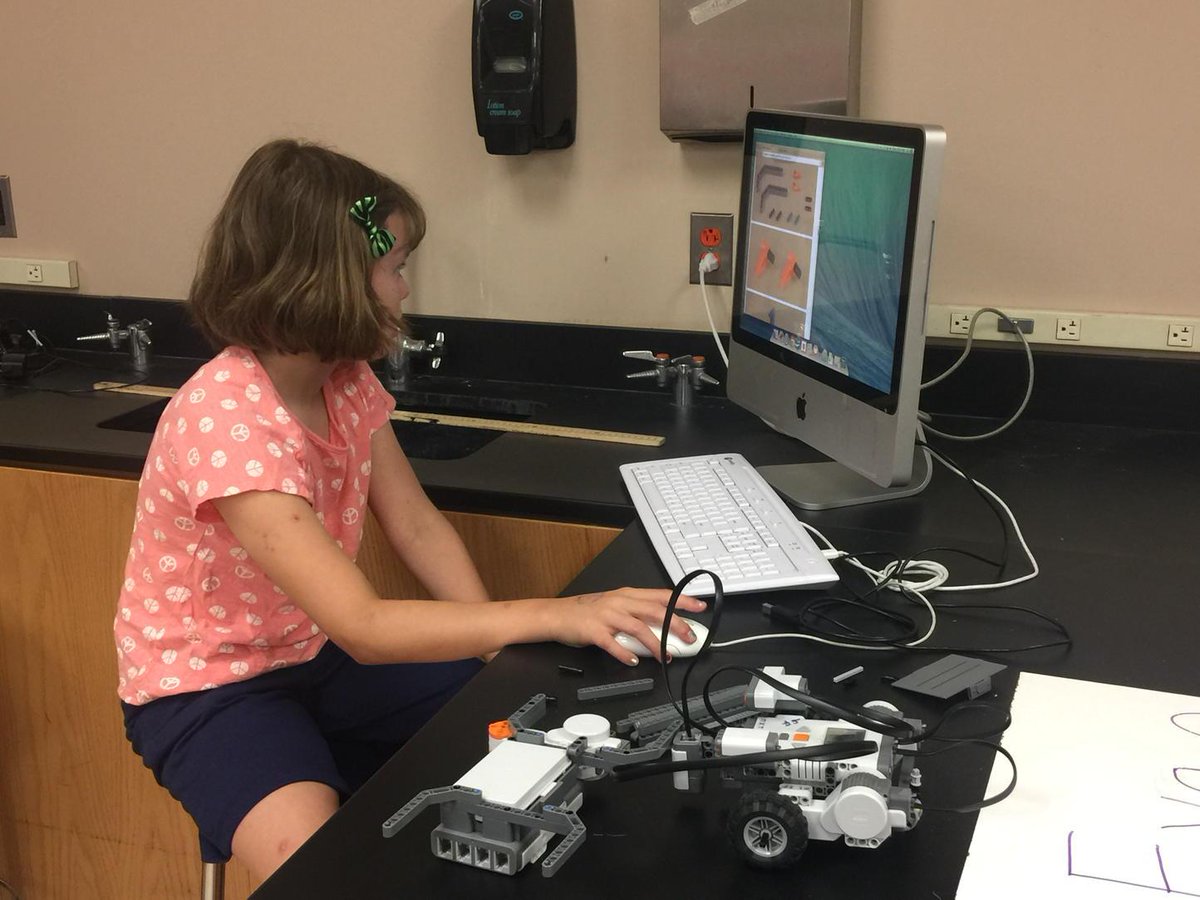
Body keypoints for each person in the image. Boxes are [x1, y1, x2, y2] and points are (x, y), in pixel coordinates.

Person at [115, 138, 704, 884]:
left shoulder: (345, 380)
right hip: (212, 687)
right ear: (326, 281)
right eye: (393, 268)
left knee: (522, 739)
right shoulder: (225, 418)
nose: (402, 290)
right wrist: (557, 613)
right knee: (319, 871)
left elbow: (416, 524)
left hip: (314, 653)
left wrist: (494, 662)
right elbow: (364, 627)